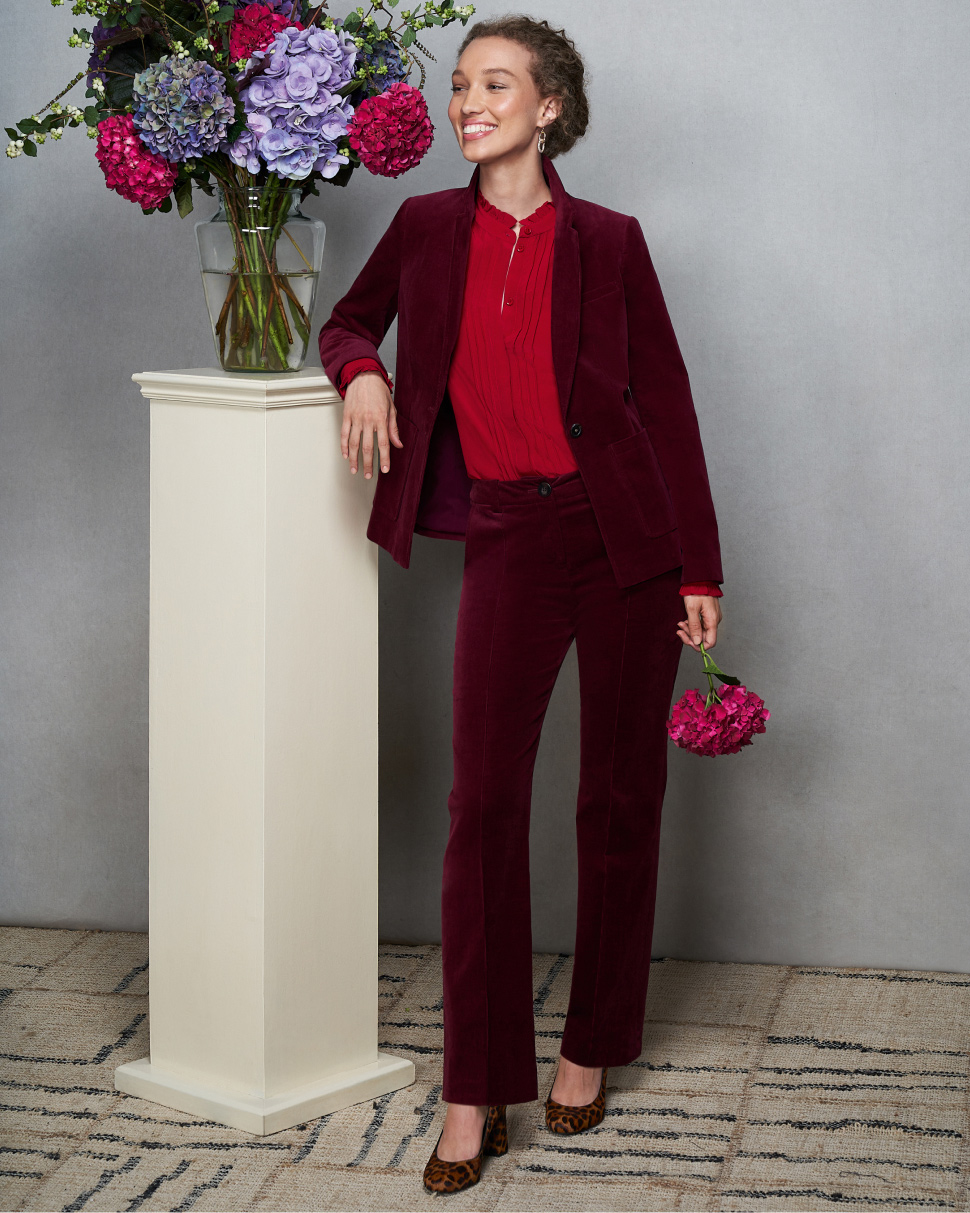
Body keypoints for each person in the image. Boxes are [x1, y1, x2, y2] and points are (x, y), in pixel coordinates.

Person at [318, 14, 724, 1194]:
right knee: (481, 808)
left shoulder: (611, 240)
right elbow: (349, 319)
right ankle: (472, 1091)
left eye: (493, 84)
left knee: (617, 795)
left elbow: (669, 406)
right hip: (505, 532)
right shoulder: (425, 227)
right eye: (458, 87)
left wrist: (696, 567)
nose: (465, 102)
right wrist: (361, 370)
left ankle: (592, 1046)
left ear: (549, 108)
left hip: (620, 541)